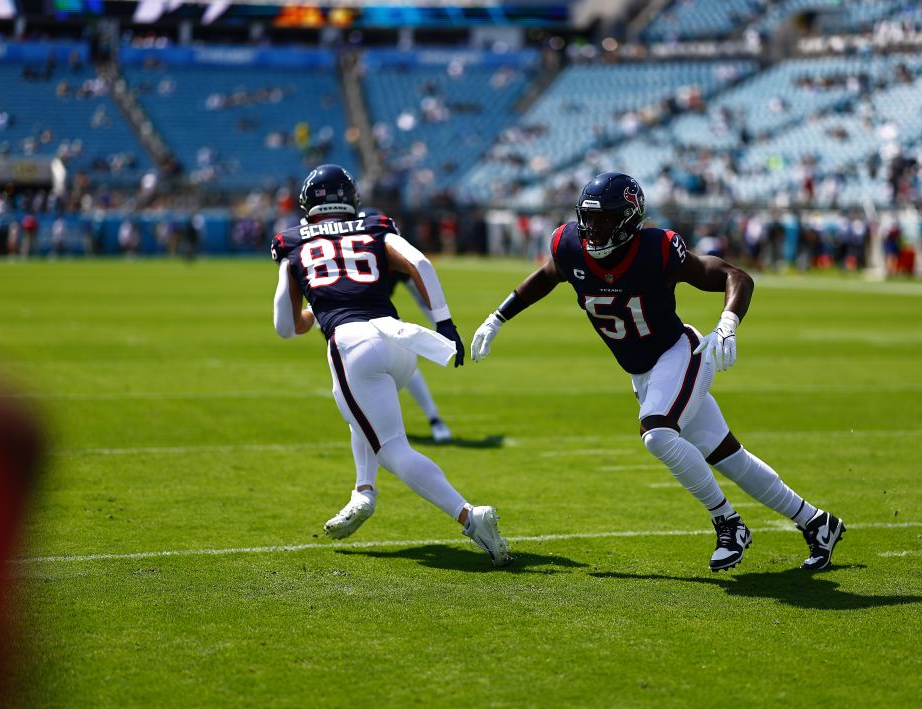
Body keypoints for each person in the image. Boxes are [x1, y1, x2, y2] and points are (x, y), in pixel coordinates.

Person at [469, 172, 845, 572]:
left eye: (605, 219)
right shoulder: (568, 245)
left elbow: (734, 276)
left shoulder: (657, 249)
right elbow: (546, 277)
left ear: (630, 219)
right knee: (729, 458)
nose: (593, 229)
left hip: (679, 352)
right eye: (589, 218)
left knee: (657, 432)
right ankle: (818, 523)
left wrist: (728, 323)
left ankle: (728, 523)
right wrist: (498, 317)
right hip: (643, 372)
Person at [269, 164, 511, 566]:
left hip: (352, 343)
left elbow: (285, 326)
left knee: (392, 448)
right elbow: (423, 266)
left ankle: (470, 516)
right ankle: (363, 492)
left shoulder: (293, 241)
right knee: (362, 415)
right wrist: (445, 324)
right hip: (400, 340)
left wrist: (316, 304)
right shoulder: (375, 225)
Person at [357, 207, 453, 443]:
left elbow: (422, 296)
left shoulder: (393, 259)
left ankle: (432, 419)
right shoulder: (347, 257)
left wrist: (442, 325)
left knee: (402, 361)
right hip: (343, 322)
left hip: (373, 318)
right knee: (363, 380)